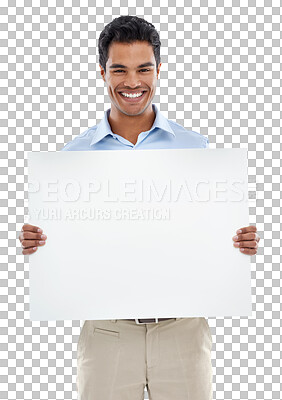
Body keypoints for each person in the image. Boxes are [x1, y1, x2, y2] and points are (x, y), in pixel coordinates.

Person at [19, 15, 260, 400]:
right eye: (119, 70)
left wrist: (239, 242)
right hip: (106, 332)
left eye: (143, 69)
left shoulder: (195, 149)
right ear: (102, 73)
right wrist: (39, 243)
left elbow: (209, 236)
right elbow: (66, 247)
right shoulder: (72, 157)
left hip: (182, 329)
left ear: (159, 71)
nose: (132, 82)